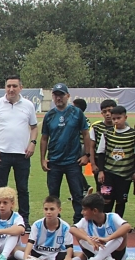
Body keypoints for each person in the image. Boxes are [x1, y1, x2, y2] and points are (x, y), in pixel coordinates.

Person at [0, 75, 38, 227]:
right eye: (8, 86)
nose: (11, 89)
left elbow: (34, 127)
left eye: (14, 86)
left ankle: (24, 221)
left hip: (23, 154)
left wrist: (32, 143)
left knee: (22, 188)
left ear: (20, 88)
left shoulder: (28, 105)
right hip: (1, 154)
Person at [39, 83, 90, 223]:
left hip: (73, 161)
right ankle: (55, 221)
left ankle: (79, 222)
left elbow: (86, 134)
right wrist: (43, 159)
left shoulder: (77, 113)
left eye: (61, 94)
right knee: (53, 195)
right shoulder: (49, 115)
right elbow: (44, 138)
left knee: (77, 194)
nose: (58, 97)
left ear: (68, 96)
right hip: (54, 162)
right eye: (55, 95)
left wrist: (87, 155)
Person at [14, 196, 83, 260]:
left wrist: (68, 257)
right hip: (38, 253)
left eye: (52, 209)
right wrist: (26, 256)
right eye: (46, 209)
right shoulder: (37, 224)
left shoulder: (65, 227)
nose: (48, 212)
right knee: (15, 249)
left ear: (59, 210)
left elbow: (69, 246)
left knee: (82, 255)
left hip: (58, 254)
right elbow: (30, 242)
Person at [70, 193, 131, 260]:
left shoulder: (112, 217)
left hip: (115, 256)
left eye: (84, 209)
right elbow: (72, 229)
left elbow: (127, 226)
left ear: (95, 211)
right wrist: (89, 239)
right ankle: (105, 258)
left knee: (121, 233)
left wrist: (107, 239)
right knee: (79, 232)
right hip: (96, 251)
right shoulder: (85, 221)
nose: (82, 212)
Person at [94, 105, 135, 217]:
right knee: (106, 199)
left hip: (125, 175)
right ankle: (105, 223)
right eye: (114, 119)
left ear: (125, 117)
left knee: (121, 201)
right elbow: (101, 153)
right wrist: (101, 171)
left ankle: (117, 224)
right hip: (109, 174)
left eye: (119, 118)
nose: (116, 121)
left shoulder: (132, 134)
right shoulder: (107, 134)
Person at [88, 99, 117, 188]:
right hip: (100, 163)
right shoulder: (96, 127)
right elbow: (91, 147)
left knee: (117, 189)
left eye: (110, 111)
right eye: (105, 112)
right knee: (102, 189)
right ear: (102, 113)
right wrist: (93, 164)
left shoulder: (121, 127)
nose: (107, 114)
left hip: (116, 163)